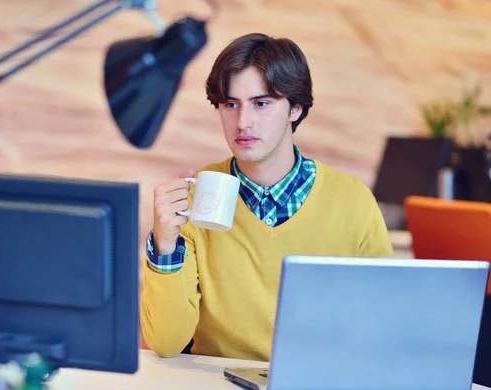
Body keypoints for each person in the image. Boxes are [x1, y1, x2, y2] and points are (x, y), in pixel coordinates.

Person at [140, 33, 393, 361]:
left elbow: (383, 326)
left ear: (295, 108)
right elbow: (166, 342)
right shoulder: (195, 198)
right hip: (217, 388)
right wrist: (164, 246)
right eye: (231, 105)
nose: (243, 122)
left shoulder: (353, 200)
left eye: (261, 103)